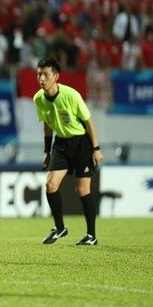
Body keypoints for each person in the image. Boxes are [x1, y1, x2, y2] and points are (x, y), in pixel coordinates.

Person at [33, 57, 103, 246]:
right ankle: (60, 227)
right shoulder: (38, 98)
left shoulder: (71, 95)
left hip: (81, 144)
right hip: (61, 144)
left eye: (46, 74)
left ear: (55, 76)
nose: (41, 78)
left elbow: (89, 122)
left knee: (82, 189)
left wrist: (96, 149)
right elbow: (47, 124)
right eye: (39, 74)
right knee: (50, 185)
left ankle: (91, 235)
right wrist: (47, 151)